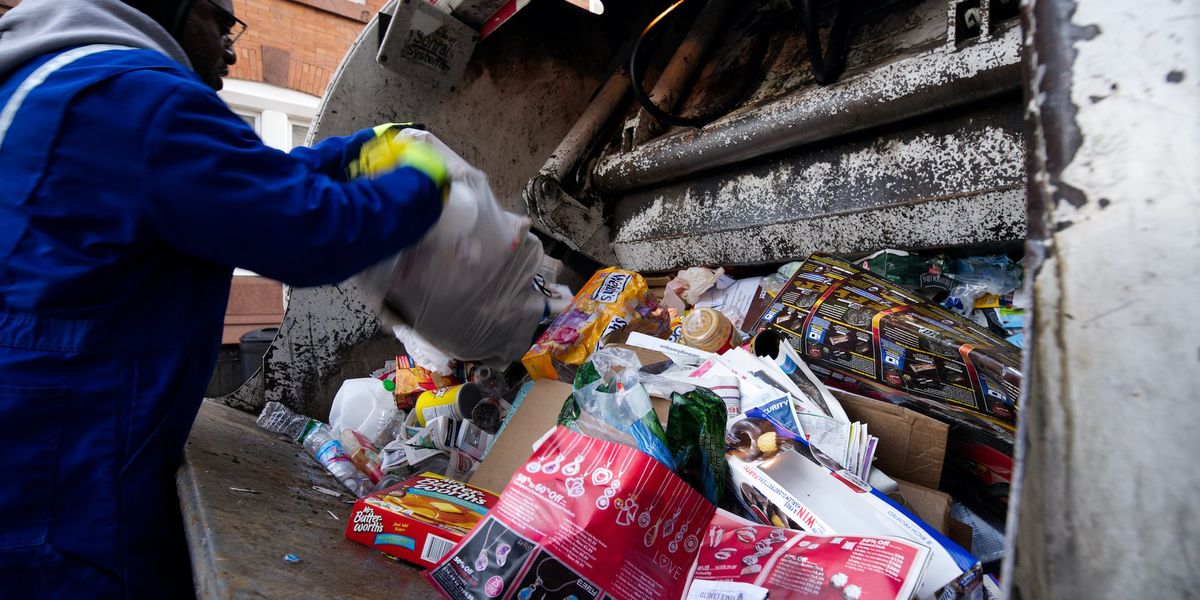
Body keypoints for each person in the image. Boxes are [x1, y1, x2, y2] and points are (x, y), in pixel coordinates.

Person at [0, 0, 452, 596]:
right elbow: (306, 233)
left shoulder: (56, 83)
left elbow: (235, 184)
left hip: (43, 444)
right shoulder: (138, 97)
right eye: (219, 19)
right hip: (69, 481)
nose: (231, 45)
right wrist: (424, 180)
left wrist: (351, 153)